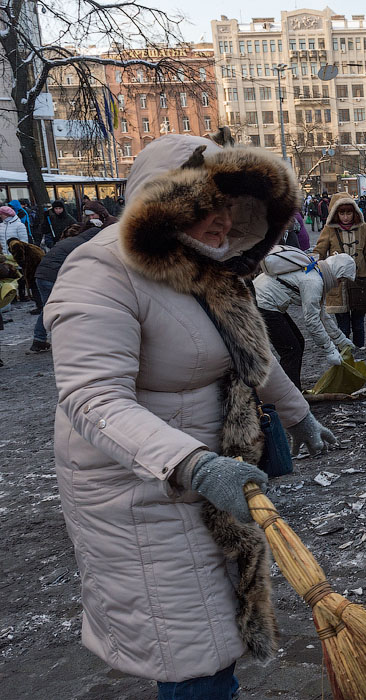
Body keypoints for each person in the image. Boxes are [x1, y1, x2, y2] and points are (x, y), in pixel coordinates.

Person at [44, 135, 338, 699]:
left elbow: (251, 354)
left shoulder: (211, 270)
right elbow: (92, 399)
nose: (223, 223)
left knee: (215, 630)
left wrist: (297, 414)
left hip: (205, 478)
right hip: (139, 492)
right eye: (208, 205)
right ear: (165, 200)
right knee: (191, 650)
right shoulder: (100, 270)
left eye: (233, 210)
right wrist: (192, 465)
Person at [254, 251, 357, 389]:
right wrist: (330, 349)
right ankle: (289, 393)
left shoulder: (317, 272)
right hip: (262, 303)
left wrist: (341, 341)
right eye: (340, 279)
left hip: (266, 301)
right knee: (291, 350)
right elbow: (312, 321)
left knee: (297, 343)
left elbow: (322, 315)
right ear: (336, 272)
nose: (338, 284)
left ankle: (292, 389)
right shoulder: (314, 282)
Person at [313, 193, 366, 348]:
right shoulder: (329, 229)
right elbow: (319, 251)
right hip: (338, 285)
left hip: (359, 282)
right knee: (343, 327)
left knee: (359, 325)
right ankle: (345, 357)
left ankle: (359, 353)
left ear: (355, 212)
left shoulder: (364, 228)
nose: (345, 217)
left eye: (348, 213)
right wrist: (314, 266)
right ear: (336, 213)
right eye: (342, 213)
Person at [28, 223, 101, 353]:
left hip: (41, 275)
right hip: (52, 277)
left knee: (49, 308)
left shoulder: (71, 241)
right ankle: (52, 340)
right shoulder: (84, 246)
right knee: (57, 308)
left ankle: (39, 340)